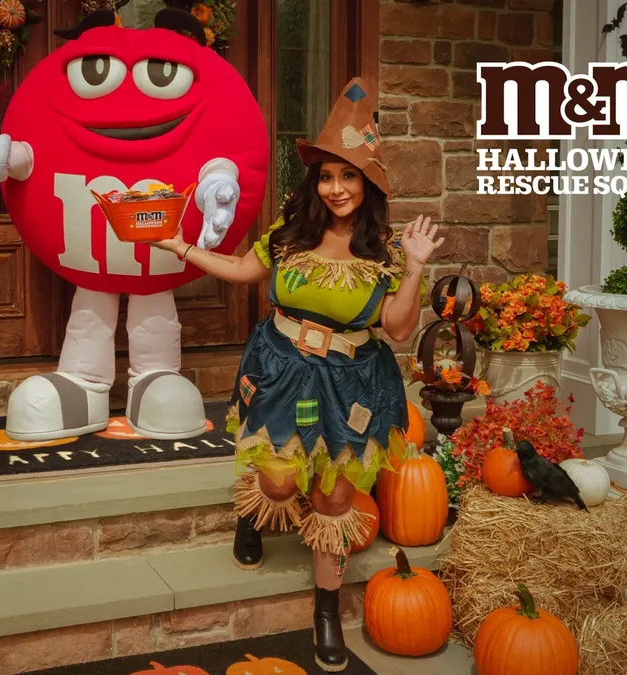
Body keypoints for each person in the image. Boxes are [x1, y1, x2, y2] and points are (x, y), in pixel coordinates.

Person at [153, 78, 443, 673]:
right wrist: (179, 246)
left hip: (352, 383)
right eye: (328, 176)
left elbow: (397, 328)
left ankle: (326, 613)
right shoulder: (290, 237)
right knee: (282, 484)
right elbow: (238, 269)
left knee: (334, 496)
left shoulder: (386, 251)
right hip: (282, 369)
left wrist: (413, 269)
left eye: (349, 176)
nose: (337, 188)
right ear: (316, 182)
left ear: (369, 184)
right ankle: (253, 510)